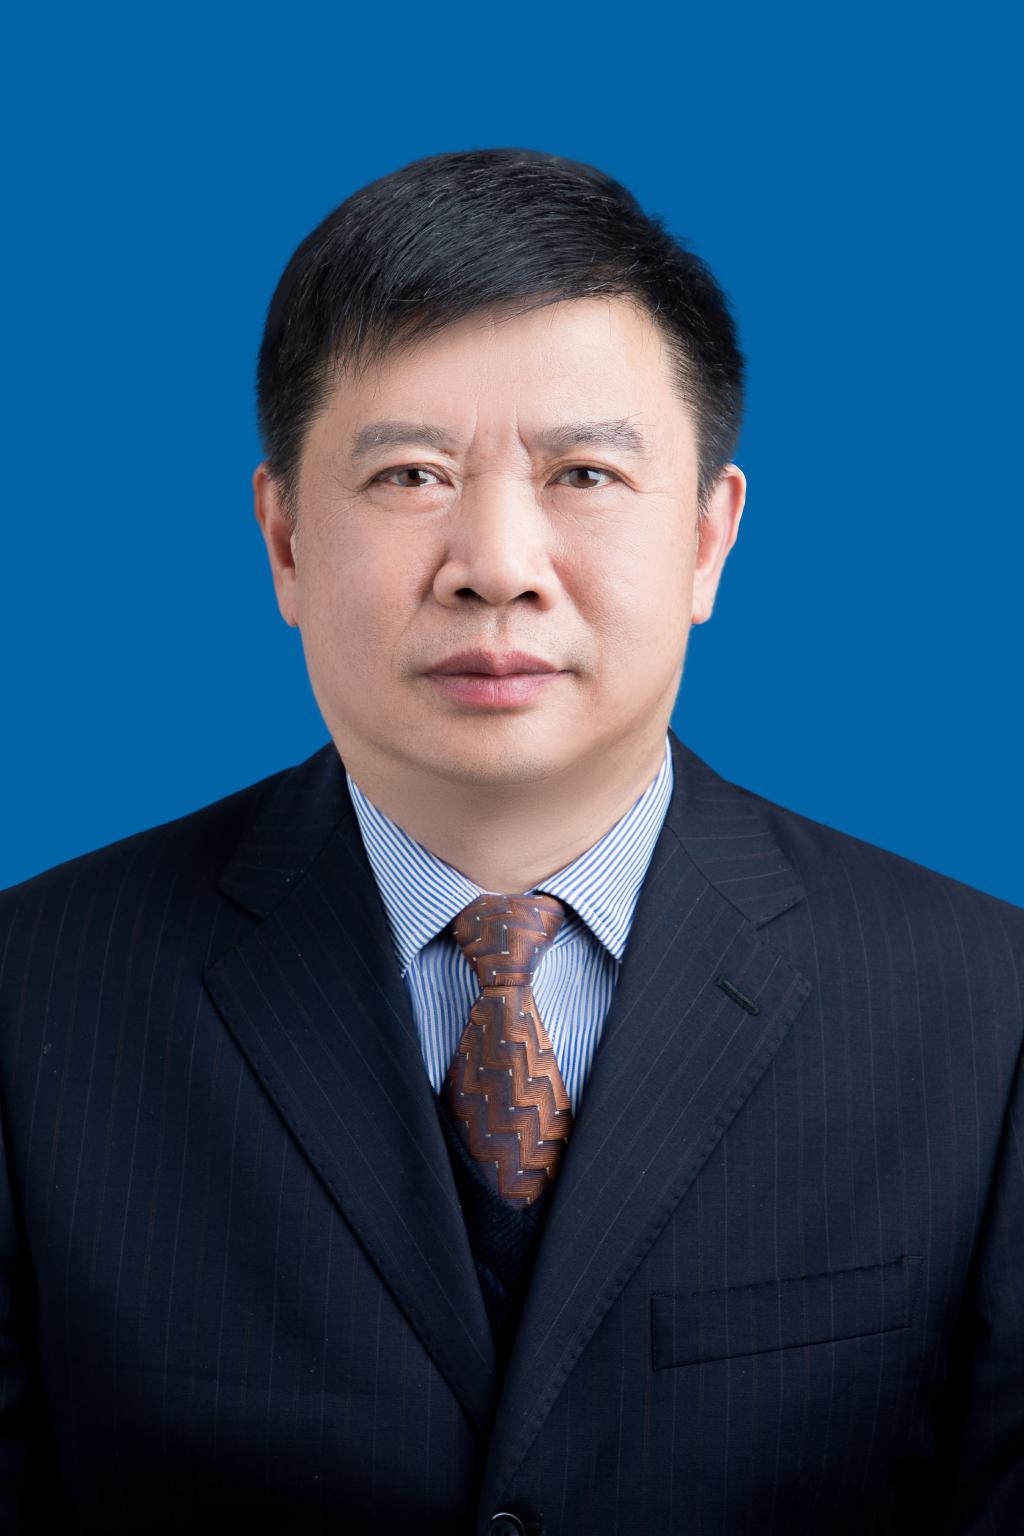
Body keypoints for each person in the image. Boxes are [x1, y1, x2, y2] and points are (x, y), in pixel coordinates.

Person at [0, 147, 1020, 1536]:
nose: (496, 565)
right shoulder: (31, 998)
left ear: (709, 539)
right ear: (285, 540)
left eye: (584, 473)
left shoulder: (985, 1011)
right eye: (410, 474)